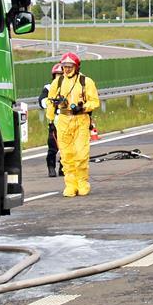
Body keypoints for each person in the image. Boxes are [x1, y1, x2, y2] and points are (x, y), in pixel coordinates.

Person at [46, 52, 100, 197]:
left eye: (70, 66)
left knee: (81, 154)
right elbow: (50, 101)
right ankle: (70, 185)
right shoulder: (57, 83)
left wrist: (83, 107)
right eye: (65, 66)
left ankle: (82, 183)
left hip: (81, 120)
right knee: (66, 155)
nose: (67, 69)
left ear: (76, 67)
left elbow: (95, 101)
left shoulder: (86, 82)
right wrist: (50, 120)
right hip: (63, 121)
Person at [37, 63, 64, 178]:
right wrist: (52, 102)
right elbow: (42, 101)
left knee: (66, 146)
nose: (59, 77)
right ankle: (51, 167)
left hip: (67, 119)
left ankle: (63, 167)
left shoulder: (70, 87)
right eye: (57, 75)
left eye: (61, 75)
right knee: (53, 146)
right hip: (54, 120)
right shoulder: (48, 87)